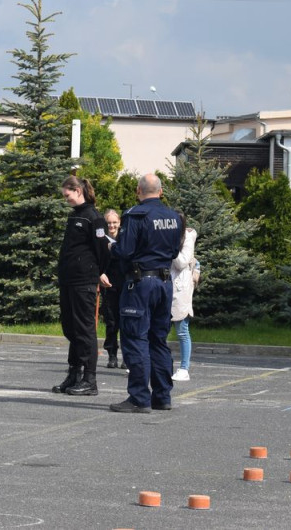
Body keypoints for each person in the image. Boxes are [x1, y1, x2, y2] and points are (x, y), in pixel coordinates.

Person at [108, 173, 182, 413]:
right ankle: (162, 396)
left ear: (138, 191)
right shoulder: (174, 217)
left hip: (140, 284)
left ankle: (140, 398)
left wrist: (112, 246)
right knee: (158, 339)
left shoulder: (135, 215)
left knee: (135, 338)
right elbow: (173, 252)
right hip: (164, 282)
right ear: (161, 192)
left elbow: (125, 250)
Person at [52, 176, 110, 397]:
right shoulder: (74, 216)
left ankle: (89, 379)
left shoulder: (93, 217)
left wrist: (99, 273)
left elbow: (103, 250)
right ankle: (74, 374)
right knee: (71, 329)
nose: (65, 199)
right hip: (68, 281)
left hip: (83, 282)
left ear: (77, 190)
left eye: (67, 195)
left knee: (85, 330)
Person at [170, 221, 199, 382]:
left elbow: (181, 262)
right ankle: (157, 364)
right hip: (166, 285)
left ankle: (184, 368)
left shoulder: (187, 238)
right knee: (158, 330)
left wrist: (170, 246)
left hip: (181, 289)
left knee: (182, 330)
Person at [98, 209, 126, 369]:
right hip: (108, 285)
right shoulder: (101, 239)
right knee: (111, 322)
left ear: (119, 222)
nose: (112, 225)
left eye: (114, 222)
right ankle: (112, 355)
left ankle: (126, 357)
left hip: (124, 284)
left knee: (125, 322)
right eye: (109, 222)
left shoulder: (125, 238)